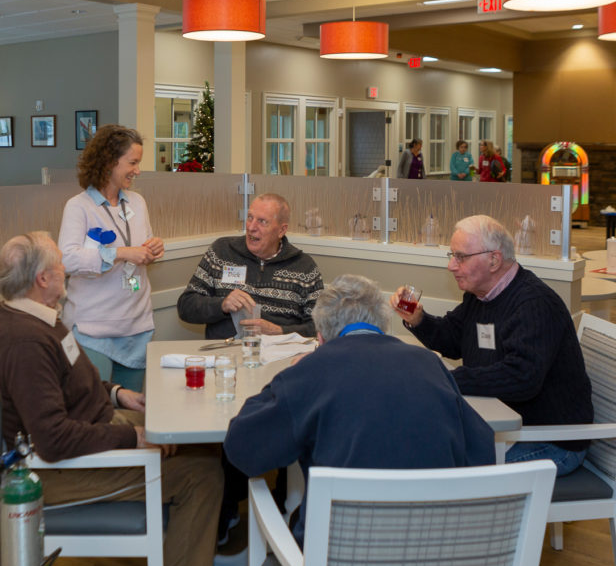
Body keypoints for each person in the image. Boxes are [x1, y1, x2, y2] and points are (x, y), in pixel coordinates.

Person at [0, 231, 234, 566]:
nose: (66, 270)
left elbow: (72, 382)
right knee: (202, 474)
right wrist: (132, 436)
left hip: (91, 430)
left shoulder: (37, 316)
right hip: (58, 475)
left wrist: (119, 395)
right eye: (61, 265)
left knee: (203, 445)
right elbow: (54, 439)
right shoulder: (24, 340)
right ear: (44, 278)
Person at [224, 274, 496, 544]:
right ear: (383, 324)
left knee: (299, 520)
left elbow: (242, 449)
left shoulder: (311, 371)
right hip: (433, 551)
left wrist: (283, 382)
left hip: (341, 557)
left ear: (320, 337)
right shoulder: (430, 363)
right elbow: (481, 450)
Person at [391, 215, 593, 476]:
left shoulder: (534, 304)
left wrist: (448, 379)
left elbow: (521, 377)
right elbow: (453, 340)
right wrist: (417, 319)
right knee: (426, 449)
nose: (452, 266)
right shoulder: (480, 297)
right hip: (504, 429)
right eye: (451, 256)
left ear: (494, 260)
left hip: (550, 442)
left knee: (447, 471)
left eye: (461, 257)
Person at [57, 124, 164, 392]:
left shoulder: (137, 203)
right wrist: (119, 253)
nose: (138, 170)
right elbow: (67, 259)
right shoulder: (79, 206)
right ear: (109, 161)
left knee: (130, 412)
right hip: (93, 328)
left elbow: (140, 246)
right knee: (95, 411)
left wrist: (153, 248)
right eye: (133, 162)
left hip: (136, 324)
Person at [176, 193, 324, 339]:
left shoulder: (304, 268)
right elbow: (185, 307)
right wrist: (222, 304)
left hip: (279, 355)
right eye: (250, 218)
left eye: (262, 221)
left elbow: (320, 326)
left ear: (281, 230)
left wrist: (279, 331)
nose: (251, 227)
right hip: (224, 354)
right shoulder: (221, 252)